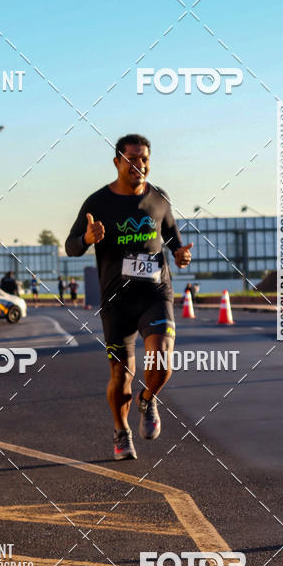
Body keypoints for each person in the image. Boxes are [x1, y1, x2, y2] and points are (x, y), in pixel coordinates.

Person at [66, 134, 192, 461]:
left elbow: (173, 239)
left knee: (162, 362)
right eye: (133, 159)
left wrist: (179, 255)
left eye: (145, 159)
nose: (140, 164)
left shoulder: (159, 198)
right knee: (121, 375)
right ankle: (121, 431)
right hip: (117, 300)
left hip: (155, 292)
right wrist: (87, 238)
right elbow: (70, 245)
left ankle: (147, 400)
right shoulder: (97, 203)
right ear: (118, 161)